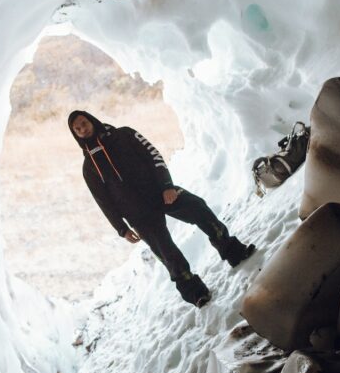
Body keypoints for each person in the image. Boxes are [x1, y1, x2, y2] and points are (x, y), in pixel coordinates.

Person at [68, 109, 255, 306]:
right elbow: (103, 201)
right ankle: (195, 293)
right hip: (138, 215)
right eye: (77, 129)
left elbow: (154, 156)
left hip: (160, 193)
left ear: (92, 120)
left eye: (84, 123)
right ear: (75, 134)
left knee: (198, 208)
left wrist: (167, 186)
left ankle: (232, 250)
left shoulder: (124, 134)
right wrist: (121, 228)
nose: (82, 129)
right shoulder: (88, 167)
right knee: (168, 255)